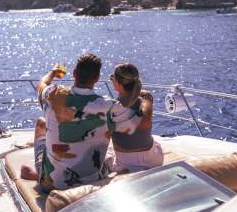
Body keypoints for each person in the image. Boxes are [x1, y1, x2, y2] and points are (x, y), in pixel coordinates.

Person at [21, 53, 150, 192]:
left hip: (52, 185)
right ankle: (42, 174)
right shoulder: (110, 108)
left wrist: (53, 72)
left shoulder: (52, 94)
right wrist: (146, 97)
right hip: (91, 181)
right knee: (109, 158)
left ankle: (40, 174)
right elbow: (142, 118)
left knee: (41, 123)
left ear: (74, 73)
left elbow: (42, 84)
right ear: (97, 78)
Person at [109, 63, 163, 173]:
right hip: (153, 160)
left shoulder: (111, 108)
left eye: (113, 77)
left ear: (118, 84)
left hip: (126, 164)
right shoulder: (146, 102)